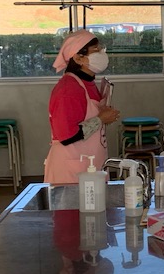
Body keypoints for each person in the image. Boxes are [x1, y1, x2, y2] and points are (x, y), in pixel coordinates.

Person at [44, 29, 120, 184]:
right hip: (71, 170)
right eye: (96, 50)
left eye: (101, 49)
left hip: (89, 165)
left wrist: (103, 116)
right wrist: (101, 119)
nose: (102, 53)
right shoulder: (69, 89)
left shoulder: (87, 83)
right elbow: (66, 135)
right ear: (78, 58)